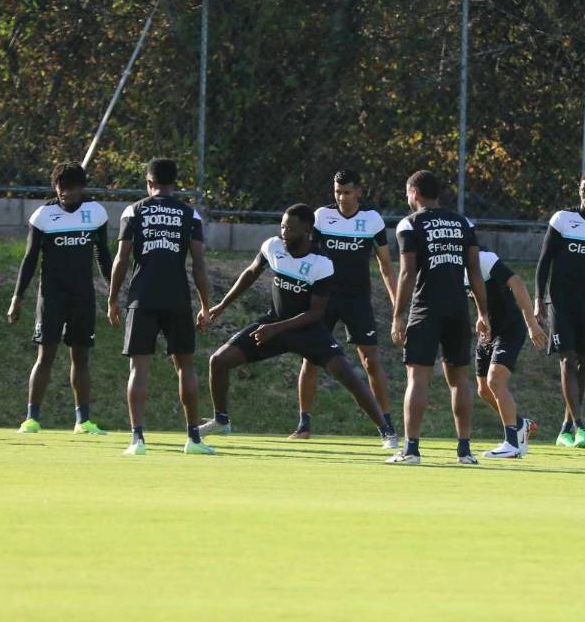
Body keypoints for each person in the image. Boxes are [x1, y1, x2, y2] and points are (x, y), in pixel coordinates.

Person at [200, 204, 394, 445]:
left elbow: (315, 314)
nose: (284, 232)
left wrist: (275, 329)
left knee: (349, 376)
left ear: (307, 231)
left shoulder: (321, 263)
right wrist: (221, 306)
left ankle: (387, 432)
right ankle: (221, 421)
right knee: (218, 361)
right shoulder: (272, 246)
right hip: (273, 324)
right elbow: (250, 274)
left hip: (308, 331)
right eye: (282, 226)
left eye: (290, 229)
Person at [107, 158, 212, 456]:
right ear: (174, 183)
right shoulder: (189, 214)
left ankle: (137, 439)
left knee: (138, 368)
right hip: (177, 298)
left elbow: (122, 259)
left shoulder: (134, 210)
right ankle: (193, 438)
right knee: (185, 367)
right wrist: (206, 305)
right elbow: (199, 266)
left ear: (149, 183)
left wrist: (113, 298)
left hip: (142, 298)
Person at [386, 170, 490, 465]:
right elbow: (474, 270)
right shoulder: (463, 223)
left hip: (426, 307)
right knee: (459, 381)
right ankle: (465, 451)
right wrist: (482, 313)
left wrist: (398, 316)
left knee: (417, 378)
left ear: (414, 193)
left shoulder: (410, 224)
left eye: (407, 193)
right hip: (458, 307)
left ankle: (412, 450)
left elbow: (407, 272)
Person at [292, 170, 398, 447]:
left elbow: (385, 265)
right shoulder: (321, 217)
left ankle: (387, 425)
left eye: (347, 192)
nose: (341, 197)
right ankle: (304, 424)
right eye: (337, 192)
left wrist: (397, 304)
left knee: (371, 361)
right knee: (310, 359)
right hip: (323, 300)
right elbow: (308, 255)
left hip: (357, 300)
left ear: (359, 192)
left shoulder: (372, 219)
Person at [7, 162, 111, 435]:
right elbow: (29, 259)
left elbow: (103, 254)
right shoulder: (43, 216)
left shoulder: (96, 213)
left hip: (82, 296)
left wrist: (113, 289)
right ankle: (31, 418)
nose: (65, 193)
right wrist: (17, 297)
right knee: (45, 355)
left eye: (71, 188)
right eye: (60, 188)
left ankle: (83, 421)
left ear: (82, 188)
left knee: (81, 357)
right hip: (51, 296)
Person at [534, 170, 585, 448]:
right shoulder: (562, 220)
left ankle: (566, 427)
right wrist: (538, 299)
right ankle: (580, 425)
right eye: (584, 189)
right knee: (567, 360)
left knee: (583, 364)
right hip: (560, 302)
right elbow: (544, 262)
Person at [470, 248, 547, 459]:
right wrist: (481, 316)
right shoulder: (452, 265)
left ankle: (512, 444)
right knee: (484, 389)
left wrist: (531, 323)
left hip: (510, 328)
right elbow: (478, 295)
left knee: (496, 381)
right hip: (488, 331)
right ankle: (520, 425)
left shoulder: (484, 259)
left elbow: (517, 283)